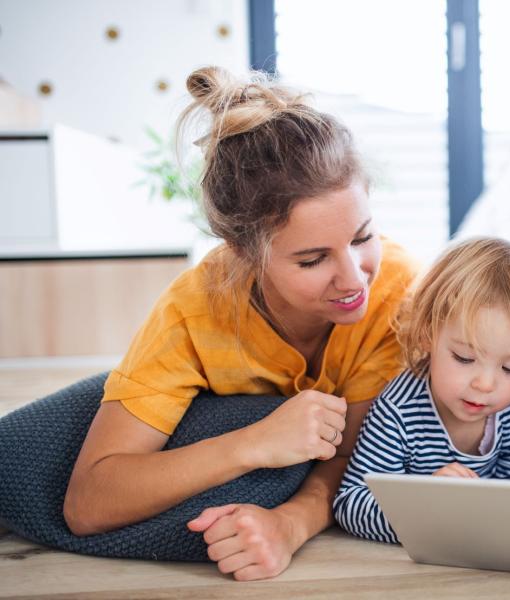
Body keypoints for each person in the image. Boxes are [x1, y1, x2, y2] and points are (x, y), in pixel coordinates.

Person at [62, 66, 419, 580]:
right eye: (313, 259)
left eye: (363, 237)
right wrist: (253, 442)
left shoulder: (399, 292)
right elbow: (89, 502)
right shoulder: (193, 310)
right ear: (244, 254)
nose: (354, 279)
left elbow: (354, 461)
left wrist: (289, 525)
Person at [333, 237, 510, 543]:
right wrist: (426, 509)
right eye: (465, 358)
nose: (486, 384)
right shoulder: (398, 410)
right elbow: (351, 502)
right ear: (427, 334)